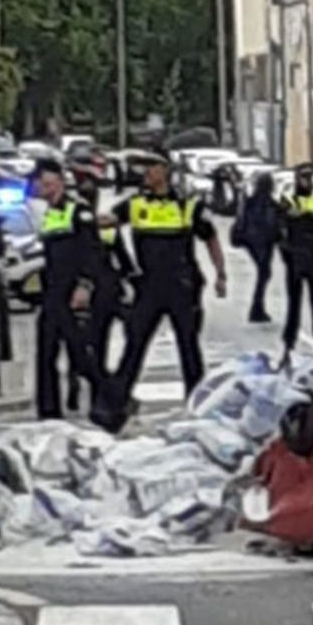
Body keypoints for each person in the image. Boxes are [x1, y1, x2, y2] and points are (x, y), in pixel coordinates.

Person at [108, 149, 227, 428]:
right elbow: (108, 222)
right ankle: (115, 406)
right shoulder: (136, 204)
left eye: (151, 166)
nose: (146, 172)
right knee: (134, 346)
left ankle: (198, 405)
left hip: (182, 285)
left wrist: (221, 274)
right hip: (148, 286)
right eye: (144, 167)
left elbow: (210, 237)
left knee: (188, 347)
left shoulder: (187, 205)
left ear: (166, 170)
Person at [32, 159, 119, 424]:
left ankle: (114, 399)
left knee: (80, 355)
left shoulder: (78, 210)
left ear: (60, 181)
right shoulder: (50, 212)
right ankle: (48, 412)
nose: (42, 187)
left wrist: (85, 286)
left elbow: (92, 251)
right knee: (45, 352)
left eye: (47, 182)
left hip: (72, 291)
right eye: (40, 183)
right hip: (53, 290)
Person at [65, 151, 135, 412]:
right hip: (94, 291)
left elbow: (123, 259)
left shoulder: (99, 225)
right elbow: (123, 261)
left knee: (89, 344)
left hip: (101, 292)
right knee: (92, 345)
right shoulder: (83, 222)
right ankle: (98, 391)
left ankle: (91, 391)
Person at [279, 163, 313, 354]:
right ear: (296, 179)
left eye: (309, 177)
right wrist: (287, 255)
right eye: (303, 177)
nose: (306, 181)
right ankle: (289, 342)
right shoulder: (288, 201)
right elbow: (280, 231)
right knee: (294, 304)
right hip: (295, 259)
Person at [233, 173, 279, 324]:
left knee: (264, 274)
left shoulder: (253, 201)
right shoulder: (265, 202)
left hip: (254, 241)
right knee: (264, 273)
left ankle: (258, 308)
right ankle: (256, 309)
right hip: (262, 242)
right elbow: (267, 222)